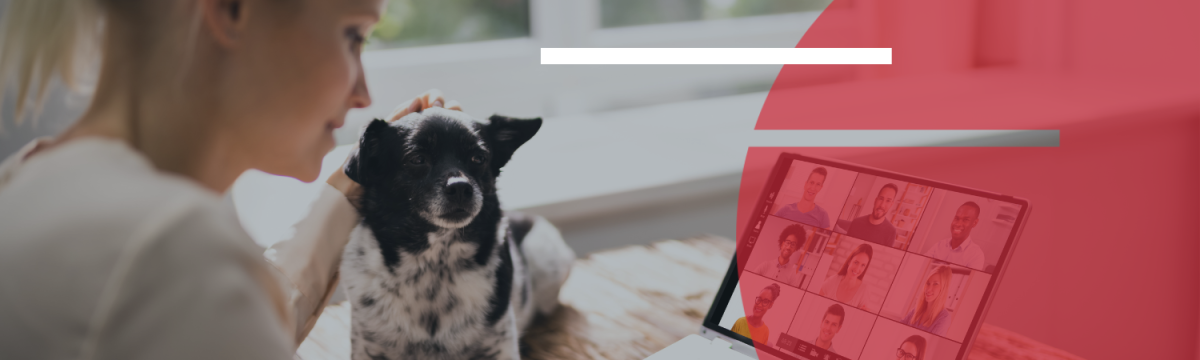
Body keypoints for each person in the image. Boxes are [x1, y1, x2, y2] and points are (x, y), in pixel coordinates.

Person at [0, 1, 461, 358]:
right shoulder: (170, 250)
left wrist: (355, 184)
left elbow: (236, 321)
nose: (363, 94)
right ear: (232, 9)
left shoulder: (29, 181)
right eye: (352, 36)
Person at [924, 201, 987, 271]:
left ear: (974, 223)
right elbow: (922, 264)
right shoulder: (939, 245)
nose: (958, 224)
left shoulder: (976, 255)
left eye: (965, 220)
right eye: (956, 218)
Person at [900, 266, 953, 336]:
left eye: (935, 284)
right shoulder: (916, 310)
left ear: (943, 288)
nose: (928, 289)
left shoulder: (944, 318)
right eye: (928, 283)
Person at [818, 243, 873, 310]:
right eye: (856, 262)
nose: (857, 269)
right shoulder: (834, 280)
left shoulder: (864, 290)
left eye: (863, 265)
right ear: (849, 261)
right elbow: (816, 300)